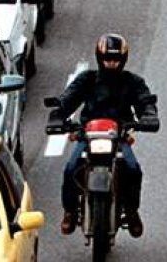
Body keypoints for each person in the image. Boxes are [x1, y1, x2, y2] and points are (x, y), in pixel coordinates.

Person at [47, 34, 159, 237]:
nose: (111, 63)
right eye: (107, 59)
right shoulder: (87, 79)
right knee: (70, 169)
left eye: (116, 59)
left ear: (123, 59)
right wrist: (58, 114)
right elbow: (68, 98)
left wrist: (149, 116)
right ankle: (70, 212)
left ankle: (132, 211)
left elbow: (145, 101)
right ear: (99, 58)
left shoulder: (133, 82)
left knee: (133, 169)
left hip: (119, 137)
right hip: (87, 136)